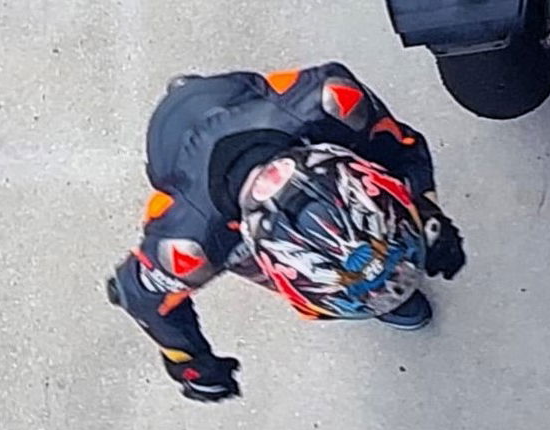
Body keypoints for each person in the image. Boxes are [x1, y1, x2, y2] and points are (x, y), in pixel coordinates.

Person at [106, 64, 467, 402]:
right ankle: (349, 280)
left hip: (246, 103)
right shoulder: (191, 239)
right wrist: (424, 210)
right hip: (174, 149)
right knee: (243, 256)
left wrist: (191, 363)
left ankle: (347, 287)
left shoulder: (334, 104)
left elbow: (401, 147)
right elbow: (135, 292)